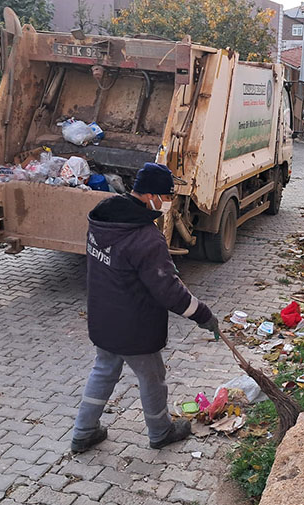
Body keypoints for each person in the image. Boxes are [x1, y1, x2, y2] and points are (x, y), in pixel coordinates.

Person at [71, 162, 219, 453]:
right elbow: (169, 291)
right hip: (134, 326)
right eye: (165, 196)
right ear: (150, 195)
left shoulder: (103, 220)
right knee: (152, 378)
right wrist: (203, 315)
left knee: (103, 371)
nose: (166, 202)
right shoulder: (144, 237)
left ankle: (83, 432)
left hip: (103, 317)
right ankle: (161, 431)